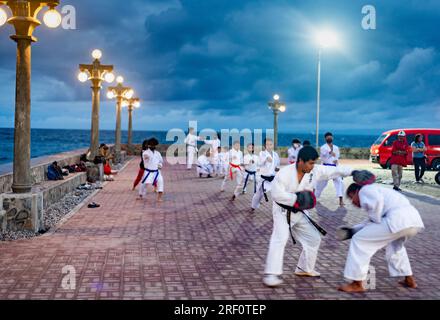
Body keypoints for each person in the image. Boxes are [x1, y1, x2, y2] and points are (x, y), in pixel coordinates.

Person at [263, 146, 354, 287]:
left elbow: (333, 170)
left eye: (314, 163)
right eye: (310, 163)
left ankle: (304, 268)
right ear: (300, 161)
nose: (313, 166)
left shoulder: (314, 171)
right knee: (280, 239)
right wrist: (296, 199)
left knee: (313, 238)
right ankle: (271, 274)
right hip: (283, 212)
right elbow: (276, 194)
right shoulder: (284, 173)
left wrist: (354, 172)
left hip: (301, 212)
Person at [338, 183, 424, 293]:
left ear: (356, 191)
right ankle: (409, 279)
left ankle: (357, 284)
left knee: (359, 241)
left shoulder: (365, 190)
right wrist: (353, 230)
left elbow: (376, 219)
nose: (353, 202)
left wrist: (356, 232)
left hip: (397, 220)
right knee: (395, 248)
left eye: (351, 197)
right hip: (413, 221)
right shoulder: (379, 191)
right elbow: (372, 221)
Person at [315, 132, 344, 206]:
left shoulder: (336, 147)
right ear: (325, 139)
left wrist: (337, 164)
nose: (329, 138)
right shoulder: (323, 147)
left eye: (330, 137)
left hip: (334, 167)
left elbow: (337, 157)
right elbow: (323, 156)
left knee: (339, 182)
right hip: (326, 167)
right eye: (327, 137)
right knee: (321, 184)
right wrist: (330, 152)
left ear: (332, 138)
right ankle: (315, 197)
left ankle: (341, 200)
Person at [251, 138, 280, 210]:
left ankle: (277, 210)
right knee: (259, 194)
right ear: (265, 146)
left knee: (276, 194)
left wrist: (277, 168)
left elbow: (277, 165)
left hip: (273, 178)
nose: (269, 146)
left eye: (271, 144)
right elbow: (259, 163)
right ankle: (253, 206)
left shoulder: (275, 154)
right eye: (267, 144)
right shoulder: (262, 153)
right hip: (264, 178)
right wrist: (265, 160)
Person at [137, 138, 164, 202]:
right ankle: (141, 195)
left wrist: (160, 165)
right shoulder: (145, 153)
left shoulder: (158, 153)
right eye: (151, 145)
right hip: (148, 171)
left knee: (160, 181)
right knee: (143, 184)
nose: (153, 146)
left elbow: (161, 161)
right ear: (148, 145)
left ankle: (159, 198)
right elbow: (146, 159)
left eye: (154, 145)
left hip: (156, 172)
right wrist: (147, 156)